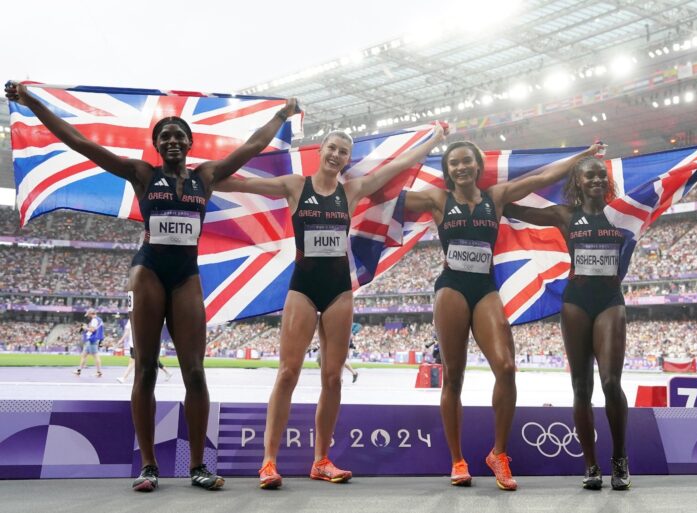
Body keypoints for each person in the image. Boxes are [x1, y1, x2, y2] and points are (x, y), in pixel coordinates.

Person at [5, 81, 299, 492]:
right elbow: (79, 141)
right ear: (157, 146)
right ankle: (149, 466)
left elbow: (252, 146)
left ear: (190, 142)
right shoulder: (141, 174)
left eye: (179, 135)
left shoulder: (207, 176)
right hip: (148, 271)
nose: (173, 140)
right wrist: (32, 102)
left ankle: (198, 465)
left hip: (186, 276)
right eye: (165, 136)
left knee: (195, 371)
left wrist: (282, 115)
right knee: (144, 369)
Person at [215, 124, 446, 489]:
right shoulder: (295, 186)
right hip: (303, 287)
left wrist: (433, 140)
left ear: (346, 159)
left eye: (343, 152)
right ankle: (268, 462)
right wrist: (201, 180)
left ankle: (321, 460)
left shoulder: (351, 190)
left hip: (339, 289)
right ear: (321, 149)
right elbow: (244, 185)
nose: (336, 155)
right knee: (288, 372)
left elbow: (398, 165)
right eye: (332, 148)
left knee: (333, 377)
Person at [503, 139, 697, 490]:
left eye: (602, 176)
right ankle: (591, 466)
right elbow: (510, 208)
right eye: (590, 176)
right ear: (578, 183)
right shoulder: (564, 215)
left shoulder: (625, 210)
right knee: (580, 388)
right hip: (575, 302)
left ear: (608, 182)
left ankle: (619, 458)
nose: (597, 180)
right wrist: (485, 193)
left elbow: (672, 179)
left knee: (611, 382)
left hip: (610, 301)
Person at [402, 141, 603, 489]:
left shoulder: (495, 197)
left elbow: (542, 176)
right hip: (451, 287)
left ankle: (499, 454)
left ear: (478, 167)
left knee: (507, 367)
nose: (461, 167)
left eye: (467, 161)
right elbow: (389, 197)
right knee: (453, 377)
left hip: (485, 287)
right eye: (454, 163)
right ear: (448, 170)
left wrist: (583, 157)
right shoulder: (437, 199)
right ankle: (457, 460)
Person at [117, 318, 173, 383]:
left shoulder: (140, 318)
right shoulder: (131, 319)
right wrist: (121, 340)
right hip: (132, 344)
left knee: (133, 362)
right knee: (151, 360)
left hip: (138, 344)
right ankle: (167, 372)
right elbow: (127, 332)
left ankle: (124, 378)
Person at [73, 309, 104, 377]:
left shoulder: (95, 320)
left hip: (92, 340)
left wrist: (85, 327)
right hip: (91, 339)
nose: (88, 316)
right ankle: (79, 371)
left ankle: (99, 372)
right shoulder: (99, 319)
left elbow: (92, 330)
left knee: (95, 356)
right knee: (84, 356)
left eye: (88, 315)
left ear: (90, 314)